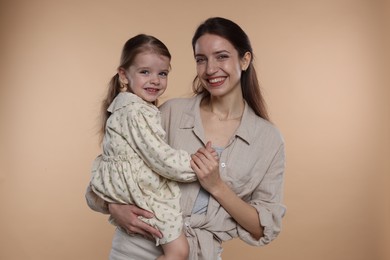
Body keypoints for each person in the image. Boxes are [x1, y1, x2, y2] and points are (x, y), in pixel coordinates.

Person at [86, 17, 286, 260]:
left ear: (244, 60)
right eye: (201, 59)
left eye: (221, 56)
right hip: (136, 247)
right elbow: (110, 171)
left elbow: (263, 228)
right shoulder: (170, 112)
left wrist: (217, 186)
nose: (210, 69)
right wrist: (114, 208)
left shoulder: (268, 139)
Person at [89, 34, 217, 260]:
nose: (155, 80)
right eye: (145, 72)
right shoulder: (137, 112)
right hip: (145, 195)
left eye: (163, 73)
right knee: (179, 251)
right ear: (123, 75)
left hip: (130, 193)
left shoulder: (124, 107)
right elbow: (160, 157)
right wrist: (196, 165)